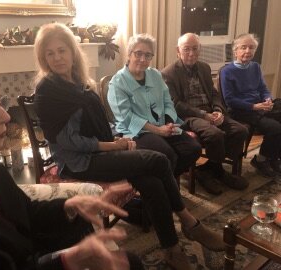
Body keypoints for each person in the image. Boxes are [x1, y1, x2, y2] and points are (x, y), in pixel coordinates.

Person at [33, 22, 224, 270]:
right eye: (50, 53)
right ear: (43, 57)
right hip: (78, 163)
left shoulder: (77, 82)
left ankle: (171, 249)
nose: (57, 58)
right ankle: (189, 222)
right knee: (158, 159)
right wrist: (114, 147)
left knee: (152, 181)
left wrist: (117, 140)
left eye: (62, 50)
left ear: (72, 51)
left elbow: (99, 123)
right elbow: (70, 142)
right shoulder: (48, 90)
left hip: (99, 151)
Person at [0, 60, 144, 270]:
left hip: (35, 254)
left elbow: (24, 211)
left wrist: (71, 207)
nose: (5, 116)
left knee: (130, 261)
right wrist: (69, 260)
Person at [161, 33, 249, 195]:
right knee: (214, 134)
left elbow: (214, 93)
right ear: (178, 51)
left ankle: (211, 168)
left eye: (195, 49)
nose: (191, 53)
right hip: (188, 116)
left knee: (241, 130)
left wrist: (217, 110)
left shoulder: (204, 67)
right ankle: (215, 171)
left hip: (210, 111)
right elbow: (175, 104)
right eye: (186, 49)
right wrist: (203, 115)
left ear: (200, 50)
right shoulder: (168, 73)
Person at [107, 33, 201, 179]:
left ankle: (167, 180)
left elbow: (167, 101)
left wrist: (169, 123)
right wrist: (158, 131)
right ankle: (167, 188)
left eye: (148, 55)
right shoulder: (118, 82)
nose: (143, 59)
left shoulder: (155, 75)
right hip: (137, 132)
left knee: (193, 148)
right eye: (138, 54)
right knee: (167, 153)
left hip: (163, 125)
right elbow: (127, 118)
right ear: (129, 54)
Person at [220, 33, 281, 177]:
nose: (248, 51)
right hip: (241, 110)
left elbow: (263, 88)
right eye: (243, 47)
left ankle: (274, 157)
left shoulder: (255, 67)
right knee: (275, 128)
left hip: (259, 106)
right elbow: (229, 100)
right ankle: (260, 160)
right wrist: (254, 107)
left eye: (251, 47)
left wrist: (268, 100)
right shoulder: (227, 71)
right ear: (235, 51)